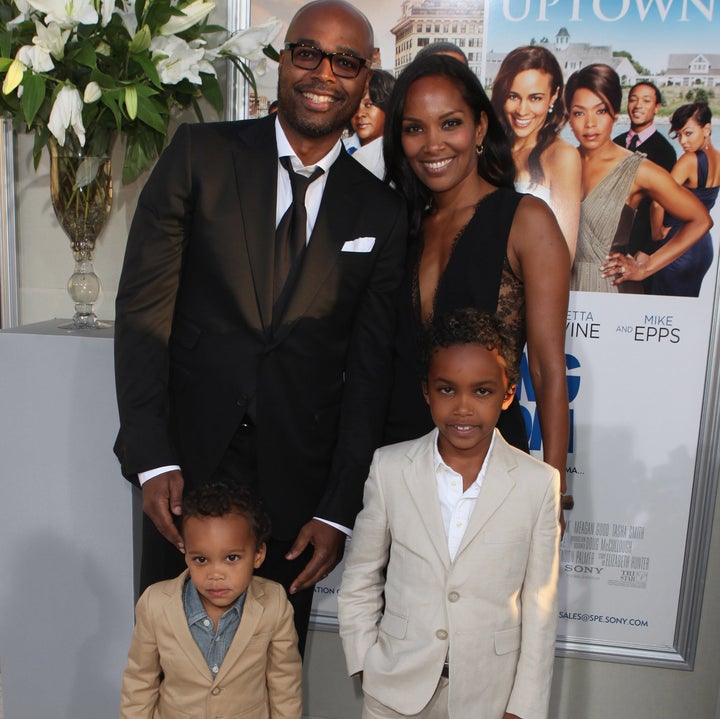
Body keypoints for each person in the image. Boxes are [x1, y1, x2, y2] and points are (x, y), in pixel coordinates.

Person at [113, 0, 408, 654]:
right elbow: (143, 315)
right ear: (281, 59)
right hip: (184, 471)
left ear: (366, 79)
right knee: (172, 664)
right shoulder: (200, 156)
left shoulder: (381, 213)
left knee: (270, 675)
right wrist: (152, 455)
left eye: (345, 61)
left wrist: (337, 506)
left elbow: (368, 373)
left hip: (294, 492)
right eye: (307, 52)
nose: (322, 72)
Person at [338, 308, 560, 719]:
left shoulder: (537, 483)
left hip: (488, 698)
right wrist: (365, 662)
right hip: (394, 692)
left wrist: (524, 707)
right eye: (446, 390)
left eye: (481, 391)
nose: (462, 408)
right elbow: (361, 577)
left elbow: (539, 606)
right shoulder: (390, 468)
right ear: (426, 391)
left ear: (508, 393)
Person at [383, 54, 570, 511]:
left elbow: (546, 369)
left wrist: (554, 488)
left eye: (450, 124)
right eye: (414, 128)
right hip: (402, 472)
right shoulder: (400, 226)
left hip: (493, 475)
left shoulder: (527, 221)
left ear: (481, 128)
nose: (432, 144)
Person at [120, 483, 302, 719]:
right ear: (186, 555)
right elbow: (139, 683)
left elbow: (285, 684)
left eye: (231, 558)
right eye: (202, 559)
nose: (216, 574)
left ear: (258, 555)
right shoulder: (155, 604)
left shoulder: (274, 603)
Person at [565, 64, 711, 293]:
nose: (590, 123)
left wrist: (646, 267)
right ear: (569, 118)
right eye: (579, 113)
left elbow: (700, 220)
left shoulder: (638, 168)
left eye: (600, 111)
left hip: (610, 290)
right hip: (562, 290)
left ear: (614, 114)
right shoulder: (559, 164)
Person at [491, 45, 581, 259]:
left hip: (529, 286)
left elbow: (564, 255)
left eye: (535, 98)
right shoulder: (490, 149)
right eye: (513, 96)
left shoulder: (562, 156)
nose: (522, 110)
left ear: (553, 96)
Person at [651, 102, 720, 297]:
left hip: (679, 246)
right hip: (703, 248)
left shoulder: (689, 160)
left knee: (662, 311)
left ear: (706, 129)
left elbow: (658, 201)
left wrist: (657, 232)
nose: (682, 141)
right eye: (679, 135)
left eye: (688, 133)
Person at [613, 82, 677, 289]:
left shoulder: (665, 151)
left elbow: (664, 204)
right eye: (633, 99)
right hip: (610, 239)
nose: (638, 105)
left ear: (657, 107)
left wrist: (647, 249)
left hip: (639, 245)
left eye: (646, 101)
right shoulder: (616, 142)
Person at [349, 69, 395, 179]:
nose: (360, 114)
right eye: (354, 105)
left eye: (368, 104)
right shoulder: (341, 148)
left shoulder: (395, 155)